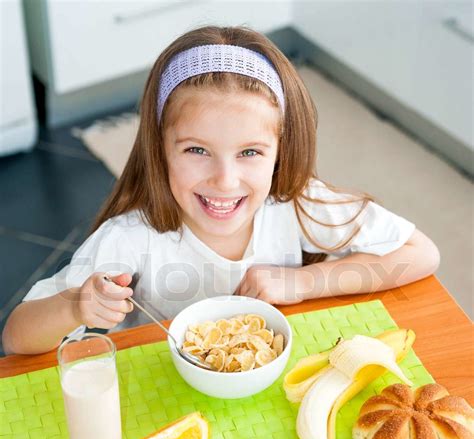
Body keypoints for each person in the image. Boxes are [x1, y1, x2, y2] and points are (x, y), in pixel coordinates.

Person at [2, 25, 440, 355]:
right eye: (197, 150)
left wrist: (303, 282)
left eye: (250, 152)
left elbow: (421, 253)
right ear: (160, 149)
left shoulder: (295, 203)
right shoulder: (132, 236)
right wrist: (75, 307)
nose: (225, 180)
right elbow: (16, 337)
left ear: (280, 150)